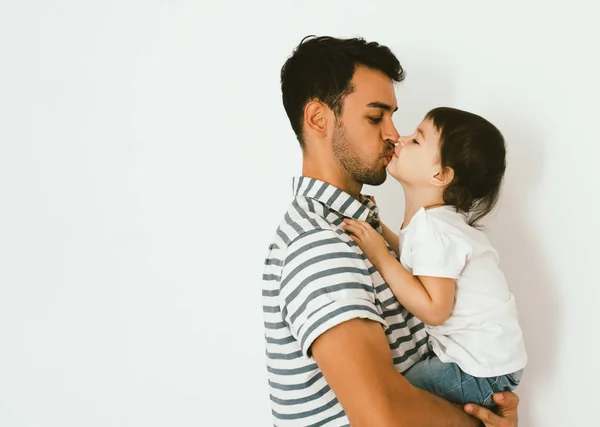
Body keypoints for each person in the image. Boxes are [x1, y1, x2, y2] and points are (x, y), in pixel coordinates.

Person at [262, 35, 521, 426]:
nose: (392, 134)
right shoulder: (320, 244)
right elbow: (381, 415)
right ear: (318, 118)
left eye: (394, 117)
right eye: (375, 116)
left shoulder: (360, 227)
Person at [341, 107, 527, 407]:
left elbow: (434, 309)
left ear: (440, 175)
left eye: (416, 140)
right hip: (490, 363)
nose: (399, 139)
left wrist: (380, 256)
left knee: (390, 399)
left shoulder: (434, 229)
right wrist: (379, 230)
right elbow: (417, 261)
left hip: (479, 369)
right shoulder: (434, 223)